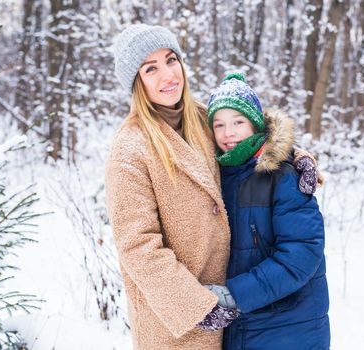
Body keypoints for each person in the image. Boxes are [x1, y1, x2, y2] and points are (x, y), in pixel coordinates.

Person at [105, 24, 237, 350]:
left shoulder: (207, 121)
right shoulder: (130, 149)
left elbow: (255, 140)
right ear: (137, 83)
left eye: (171, 60)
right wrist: (197, 306)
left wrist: (292, 158)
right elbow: (138, 246)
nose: (168, 75)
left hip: (233, 306)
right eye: (151, 68)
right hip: (176, 328)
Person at [205, 73, 330, 350]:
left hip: (290, 327)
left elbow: (301, 254)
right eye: (219, 124)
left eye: (238, 122)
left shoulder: (283, 176)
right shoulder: (218, 176)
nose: (229, 133)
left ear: (255, 124)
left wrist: (234, 295)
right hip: (246, 326)